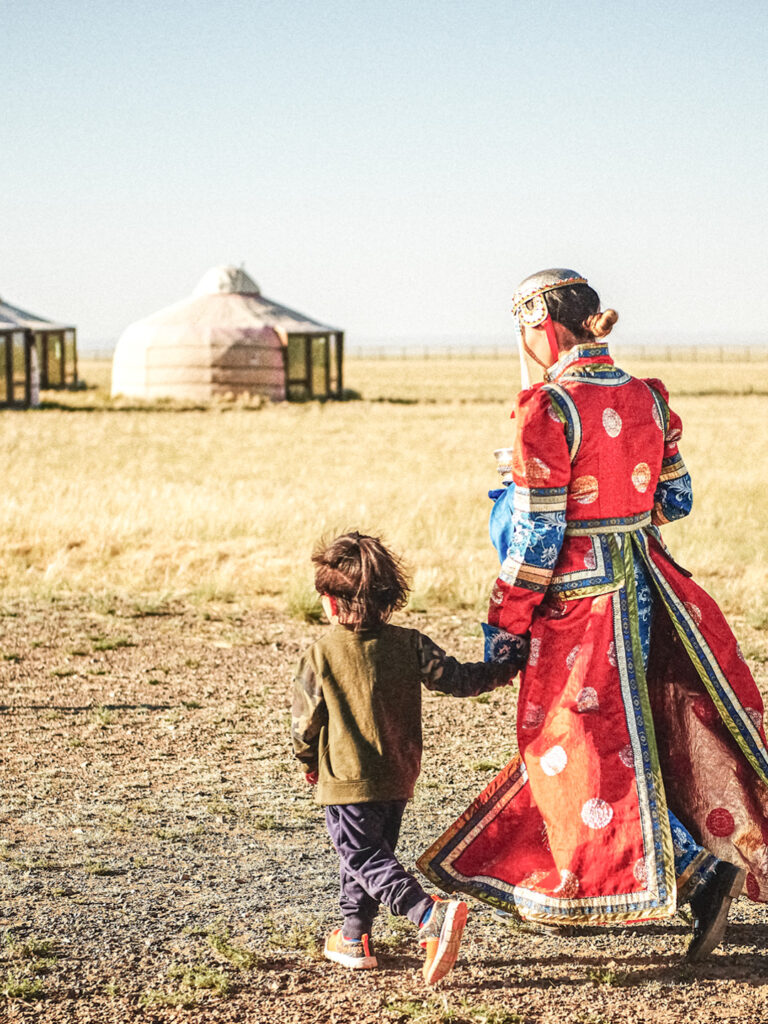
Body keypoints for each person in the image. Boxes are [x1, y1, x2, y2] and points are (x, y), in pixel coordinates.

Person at [419, 268, 768, 961]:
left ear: (541, 329)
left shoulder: (547, 411)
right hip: (648, 588)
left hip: (580, 608)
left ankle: (697, 873)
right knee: (631, 739)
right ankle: (696, 869)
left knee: (580, 750)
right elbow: (675, 502)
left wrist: (503, 622)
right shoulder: (647, 398)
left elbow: (537, 538)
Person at [291, 531, 526, 983]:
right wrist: (505, 667)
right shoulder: (410, 643)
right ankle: (354, 935)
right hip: (398, 775)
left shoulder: (320, 654)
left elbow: (304, 725)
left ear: (331, 603)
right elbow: (458, 679)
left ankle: (427, 916)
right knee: (371, 855)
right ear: (388, 598)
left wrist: (308, 762)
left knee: (360, 855)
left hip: (346, 778)